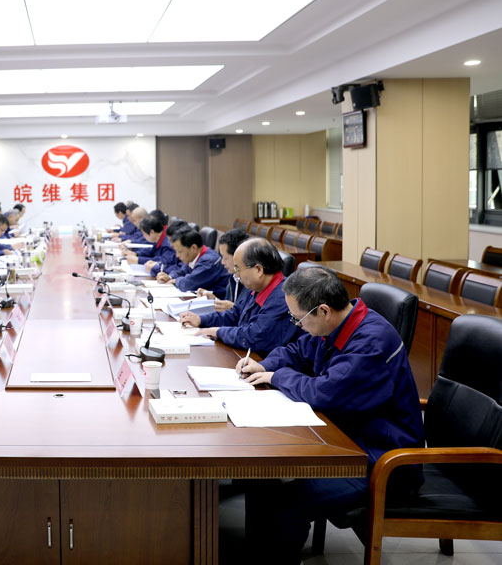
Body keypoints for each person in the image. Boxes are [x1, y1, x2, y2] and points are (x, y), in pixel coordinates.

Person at [238, 265, 425, 565]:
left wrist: (276, 377)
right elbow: (298, 350)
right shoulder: (338, 324)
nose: (297, 325)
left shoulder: (370, 343)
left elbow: (323, 393)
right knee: (261, 479)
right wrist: (265, 365)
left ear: (323, 310)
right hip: (348, 439)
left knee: (285, 502)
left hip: (380, 460)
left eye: (298, 319)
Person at [178, 238, 301, 354]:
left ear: (258, 270)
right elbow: (235, 314)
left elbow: (255, 337)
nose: (236, 275)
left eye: (238, 269)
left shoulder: (283, 297)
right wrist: (201, 319)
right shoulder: (257, 287)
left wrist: (218, 332)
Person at [156, 229, 232, 296]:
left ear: (193, 248)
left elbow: (188, 284)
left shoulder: (209, 261)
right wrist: (169, 277)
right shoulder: (194, 257)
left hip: (219, 301)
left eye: (180, 251)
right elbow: (182, 271)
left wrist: (175, 281)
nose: (177, 255)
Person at [195, 228, 251, 312]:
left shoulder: (251, 284)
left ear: (238, 256)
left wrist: (233, 309)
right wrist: (215, 300)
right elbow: (229, 308)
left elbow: (248, 316)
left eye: (225, 258)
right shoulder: (233, 278)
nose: (222, 262)